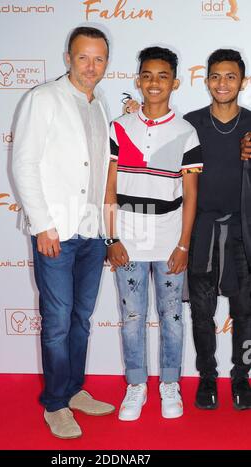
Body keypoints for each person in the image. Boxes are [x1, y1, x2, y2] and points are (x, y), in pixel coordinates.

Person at [12, 26, 115, 440]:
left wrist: (106, 229)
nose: (91, 66)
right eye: (83, 57)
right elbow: (24, 164)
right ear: (68, 58)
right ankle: (55, 404)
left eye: (99, 59)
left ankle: (73, 390)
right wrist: (42, 225)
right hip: (55, 231)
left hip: (90, 230)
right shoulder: (43, 98)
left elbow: (99, 169)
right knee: (56, 321)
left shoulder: (99, 104)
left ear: (107, 62)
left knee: (81, 319)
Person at [105, 47, 202, 421]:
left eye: (163, 76)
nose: (154, 82)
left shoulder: (186, 133)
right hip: (127, 239)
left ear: (175, 82)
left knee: (172, 316)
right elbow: (109, 191)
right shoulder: (119, 127)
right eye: (147, 75)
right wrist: (111, 239)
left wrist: (183, 245)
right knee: (132, 316)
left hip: (168, 242)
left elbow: (191, 196)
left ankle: (169, 383)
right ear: (137, 80)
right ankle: (136, 385)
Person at [184, 49, 251, 410]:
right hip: (202, 233)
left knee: (244, 313)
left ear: (243, 81)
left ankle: (242, 379)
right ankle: (207, 379)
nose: (222, 83)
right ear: (206, 80)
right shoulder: (189, 123)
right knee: (202, 313)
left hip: (243, 235)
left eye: (230, 76)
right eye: (215, 76)